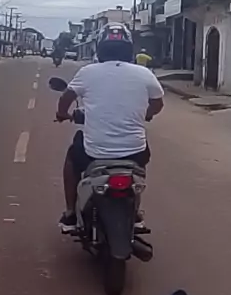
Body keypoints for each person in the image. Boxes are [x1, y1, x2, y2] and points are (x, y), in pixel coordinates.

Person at [56, 23, 164, 232]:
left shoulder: (87, 72)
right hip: (134, 151)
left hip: (94, 152)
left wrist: (62, 114)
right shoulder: (144, 73)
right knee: (141, 159)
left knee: (72, 159)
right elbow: (158, 104)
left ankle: (70, 213)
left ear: (100, 47)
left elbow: (66, 97)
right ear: (129, 48)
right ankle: (135, 212)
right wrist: (146, 114)